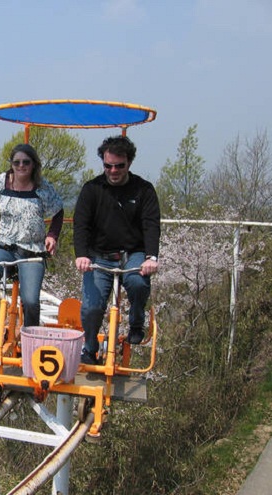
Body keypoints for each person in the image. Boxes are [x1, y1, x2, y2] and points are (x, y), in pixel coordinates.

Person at [73, 135, 161, 365]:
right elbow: (81, 224)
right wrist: (81, 254)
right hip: (100, 256)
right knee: (92, 307)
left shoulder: (143, 190)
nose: (113, 171)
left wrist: (151, 256)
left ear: (129, 163)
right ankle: (90, 348)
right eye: (108, 165)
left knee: (138, 282)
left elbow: (151, 224)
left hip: (133, 254)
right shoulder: (92, 189)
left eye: (119, 166)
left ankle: (136, 322)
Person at [0, 143, 65, 335]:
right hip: (6, 243)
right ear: (11, 164)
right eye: (16, 162)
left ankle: (31, 335)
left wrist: (52, 235)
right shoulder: (2, 181)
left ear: (33, 164)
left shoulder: (42, 187)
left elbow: (58, 211)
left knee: (30, 299)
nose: (21, 166)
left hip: (32, 248)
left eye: (25, 162)